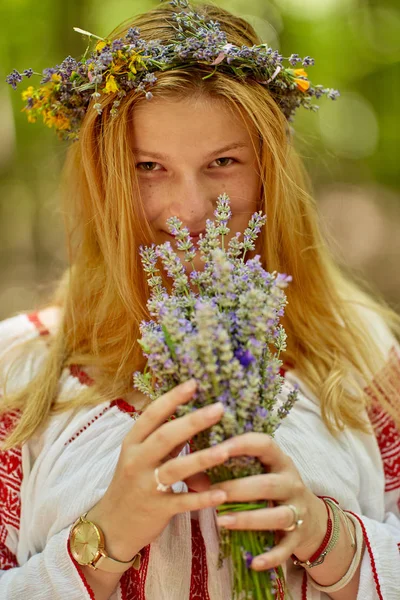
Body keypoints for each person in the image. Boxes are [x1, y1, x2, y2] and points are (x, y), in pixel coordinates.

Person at [1, 1, 399, 599]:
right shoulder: (18, 370)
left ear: (270, 169)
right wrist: (99, 543)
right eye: (148, 166)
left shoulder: (362, 354)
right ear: (103, 174)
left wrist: (330, 537)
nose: (189, 209)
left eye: (222, 162)